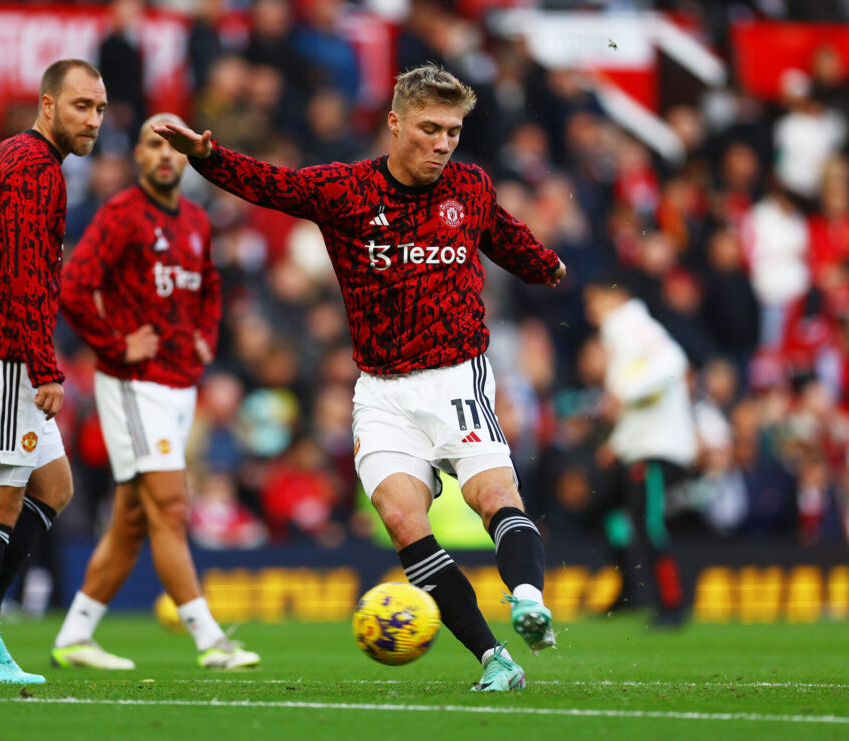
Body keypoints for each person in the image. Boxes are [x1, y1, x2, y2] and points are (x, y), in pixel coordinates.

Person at [154, 63, 565, 691]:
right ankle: (494, 660)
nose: (442, 143)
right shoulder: (347, 191)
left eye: (453, 131)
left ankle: (529, 599)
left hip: (456, 380)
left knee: (494, 498)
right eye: (430, 128)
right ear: (395, 124)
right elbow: (273, 184)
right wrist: (208, 159)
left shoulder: (470, 186)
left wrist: (549, 267)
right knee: (404, 521)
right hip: (380, 393)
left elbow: (505, 238)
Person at [50, 114, 259, 671]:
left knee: (133, 521)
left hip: (178, 383)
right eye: (152, 146)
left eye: (173, 147)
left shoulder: (195, 219)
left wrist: (205, 337)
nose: (165, 156)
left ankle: (75, 636)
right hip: (133, 385)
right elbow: (73, 284)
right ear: (138, 158)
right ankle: (210, 639)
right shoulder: (122, 214)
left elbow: (210, 286)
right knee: (169, 506)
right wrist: (115, 344)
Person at [0, 59, 107, 684]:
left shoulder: (13, 154)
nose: (92, 120)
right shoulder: (37, 172)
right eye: (81, 106)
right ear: (47, 104)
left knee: (54, 484)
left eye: (99, 109)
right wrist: (45, 367)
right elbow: (24, 279)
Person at [582, 276, 696, 624]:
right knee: (607, 509)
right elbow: (644, 401)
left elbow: (673, 363)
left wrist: (622, 391)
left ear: (614, 298)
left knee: (648, 524)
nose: (590, 313)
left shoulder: (630, 324)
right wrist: (617, 444)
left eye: (595, 303)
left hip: (657, 449)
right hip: (639, 446)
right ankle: (629, 589)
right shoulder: (623, 332)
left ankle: (672, 605)